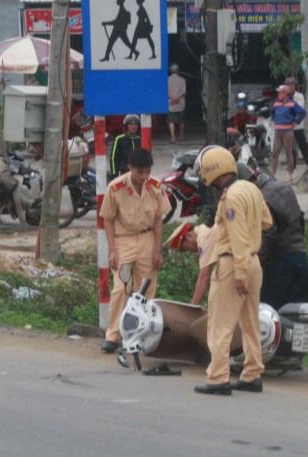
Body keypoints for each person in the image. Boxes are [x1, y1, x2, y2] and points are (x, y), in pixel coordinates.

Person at [194, 147, 272, 396]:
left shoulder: (230, 197)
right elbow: (267, 222)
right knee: (250, 322)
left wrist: (238, 275)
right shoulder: (252, 189)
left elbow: (237, 238)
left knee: (220, 324)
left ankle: (218, 378)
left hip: (233, 264)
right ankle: (252, 374)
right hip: (253, 262)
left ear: (210, 172)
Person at [99, 149, 171, 353]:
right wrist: (112, 250)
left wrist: (158, 250)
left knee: (146, 289)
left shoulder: (156, 187)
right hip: (124, 240)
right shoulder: (116, 187)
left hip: (147, 238)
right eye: (140, 172)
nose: (144, 176)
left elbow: (158, 220)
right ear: (130, 168)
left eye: (148, 171)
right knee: (121, 288)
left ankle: (143, 334)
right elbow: (108, 220)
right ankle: (113, 335)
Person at [246, 171, 308, 308]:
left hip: (280, 262)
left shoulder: (261, 198)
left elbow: (269, 235)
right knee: (292, 312)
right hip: (301, 256)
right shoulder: (286, 188)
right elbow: (301, 217)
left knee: (268, 311)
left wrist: (256, 262)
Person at [163, 221, 219, 306]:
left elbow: (204, 277)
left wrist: (191, 307)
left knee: (215, 301)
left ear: (189, 236)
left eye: (185, 248)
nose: (190, 252)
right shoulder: (204, 230)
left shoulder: (203, 238)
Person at [270, 85, 306, 183]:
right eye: (278, 93)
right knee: (275, 152)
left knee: (288, 152)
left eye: (281, 93)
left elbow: (303, 113)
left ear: (285, 94)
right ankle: (272, 173)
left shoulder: (292, 104)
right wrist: (275, 120)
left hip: (288, 132)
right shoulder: (276, 103)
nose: (279, 95)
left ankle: (290, 173)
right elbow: (272, 112)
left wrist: (295, 122)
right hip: (278, 131)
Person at [284, 76, 308, 168]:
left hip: (297, 125)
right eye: (288, 85)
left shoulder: (299, 96)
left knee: (303, 144)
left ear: (295, 86)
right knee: (289, 147)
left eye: (291, 85)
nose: (290, 87)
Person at [167, 63, 186, 144]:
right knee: (181, 121)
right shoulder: (182, 80)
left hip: (170, 103)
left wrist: (172, 98)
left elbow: (165, 91)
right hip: (180, 103)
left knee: (171, 121)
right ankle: (181, 136)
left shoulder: (166, 80)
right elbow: (183, 91)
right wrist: (177, 98)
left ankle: (173, 137)